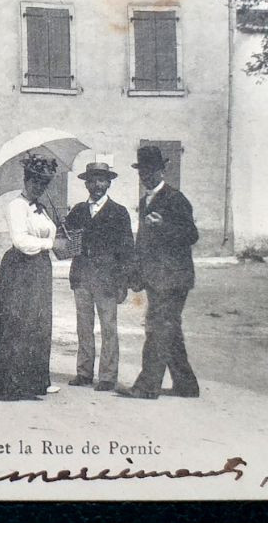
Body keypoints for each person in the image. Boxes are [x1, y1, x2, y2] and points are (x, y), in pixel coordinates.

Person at [0, 154, 72, 400]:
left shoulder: (43, 208)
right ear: (26, 180)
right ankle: (8, 383)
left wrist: (60, 236)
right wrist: (51, 243)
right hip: (20, 269)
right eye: (35, 181)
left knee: (38, 322)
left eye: (44, 183)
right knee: (18, 322)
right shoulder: (16, 206)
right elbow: (20, 241)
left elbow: (46, 235)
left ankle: (35, 381)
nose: (39, 187)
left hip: (40, 268)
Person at [124, 145, 201, 399]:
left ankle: (147, 387)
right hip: (156, 278)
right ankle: (186, 385)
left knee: (158, 329)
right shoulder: (146, 200)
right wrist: (136, 273)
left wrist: (164, 225)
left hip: (174, 279)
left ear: (161, 171)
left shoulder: (175, 199)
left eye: (150, 170)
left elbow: (191, 234)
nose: (145, 175)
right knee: (170, 331)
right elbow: (143, 243)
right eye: (141, 170)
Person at [62, 161, 135, 392]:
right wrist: (62, 229)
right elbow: (64, 242)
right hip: (82, 277)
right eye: (92, 180)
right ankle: (84, 372)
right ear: (86, 184)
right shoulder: (77, 211)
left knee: (108, 328)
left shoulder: (119, 212)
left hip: (107, 280)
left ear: (109, 183)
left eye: (102, 180)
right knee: (84, 326)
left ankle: (107, 376)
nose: (97, 185)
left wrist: (123, 281)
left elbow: (127, 250)